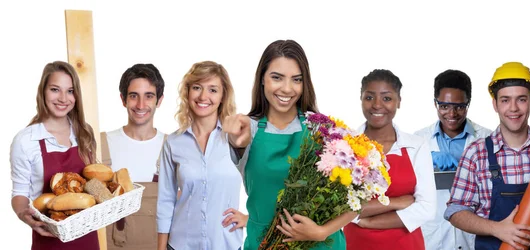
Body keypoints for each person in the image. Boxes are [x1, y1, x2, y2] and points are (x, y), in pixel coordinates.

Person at [223, 39, 355, 250]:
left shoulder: (322, 130)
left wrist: (321, 232)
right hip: (264, 244)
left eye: (296, 80)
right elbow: (238, 142)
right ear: (262, 80)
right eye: (277, 78)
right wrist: (234, 139)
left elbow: (357, 198)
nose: (287, 89)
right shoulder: (249, 129)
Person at [444, 62, 530, 250]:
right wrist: (498, 229)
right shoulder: (476, 153)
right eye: (505, 100)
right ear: (495, 104)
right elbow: (455, 211)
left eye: (521, 99)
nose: (513, 108)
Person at [10, 61, 100, 250]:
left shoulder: (84, 132)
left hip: (88, 239)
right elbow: (19, 193)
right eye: (55, 89)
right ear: (43, 91)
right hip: (48, 239)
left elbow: (93, 183)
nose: (63, 98)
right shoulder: (26, 140)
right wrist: (23, 214)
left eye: (70, 91)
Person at [343, 69, 437, 250]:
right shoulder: (345, 147)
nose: (377, 105)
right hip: (356, 244)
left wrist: (368, 222)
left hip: (407, 245)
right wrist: (396, 202)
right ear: (361, 99)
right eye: (369, 97)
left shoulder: (416, 146)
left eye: (386, 98)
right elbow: (339, 207)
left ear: (398, 101)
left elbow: (427, 208)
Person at [156, 61, 244, 250]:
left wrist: (249, 219)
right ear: (187, 93)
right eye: (197, 87)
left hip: (226, 244)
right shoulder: (173, 143)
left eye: (213, 90)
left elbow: (266, 188)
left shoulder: (239, 139)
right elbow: (165, 200)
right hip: (181, 244)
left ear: (223, 96)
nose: (203, 96)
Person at [414, 69, 492, 250]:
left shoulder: (487, 139)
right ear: (435, 103)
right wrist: (425, 162)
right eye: (444, 106)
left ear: (468, 103)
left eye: (459, 106)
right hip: (433, 236)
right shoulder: (418, 141)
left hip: (474, 235)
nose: (451, 113)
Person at [100, 63, 167, 249]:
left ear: (159, 100)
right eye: (133, 96)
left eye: (149, 96)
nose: (140, 105)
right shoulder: (100, 144)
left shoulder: (172, 147)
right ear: (123, 99)